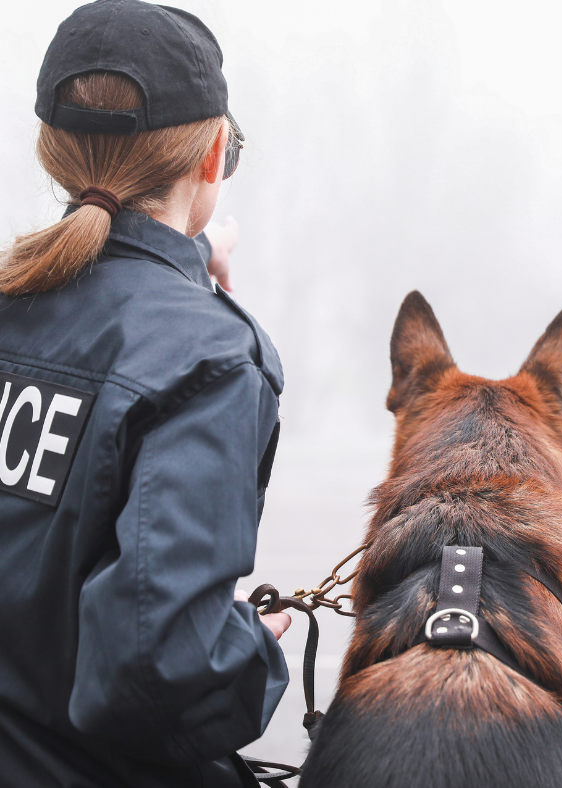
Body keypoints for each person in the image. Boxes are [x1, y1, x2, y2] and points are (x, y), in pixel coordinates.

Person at [0, 2, 292, 786]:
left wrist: (183, 260)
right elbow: (161, 678)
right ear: (214, 154)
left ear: (53, 149)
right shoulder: (210, 358)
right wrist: (252, 649)